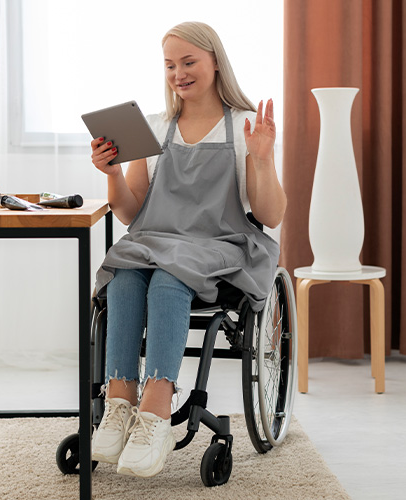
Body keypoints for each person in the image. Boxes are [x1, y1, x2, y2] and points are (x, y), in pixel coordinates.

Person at [88, 21, 286, 478]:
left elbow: (271, 215)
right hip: (157, 240)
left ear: (215, 62)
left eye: (189, 62)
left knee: (167, 277)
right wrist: (112, 172)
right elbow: (131, 212)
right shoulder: (156, 128)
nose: (178, 73)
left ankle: (155, 412)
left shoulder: (245, 126)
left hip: (219, 244)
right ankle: (119, 403)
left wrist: (263, 158)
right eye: (170, 65)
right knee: (124, 274)